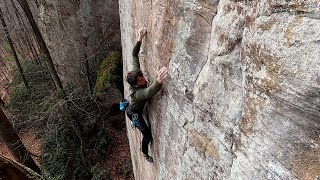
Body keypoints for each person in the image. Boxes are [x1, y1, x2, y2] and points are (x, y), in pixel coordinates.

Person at [126, 28, 168, 163]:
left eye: (141, 77)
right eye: (141, 81)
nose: (144, 79)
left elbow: (134, 55)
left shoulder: (136, 73)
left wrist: (140, 38)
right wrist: (158, 81)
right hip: (134, 114)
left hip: (135, 107)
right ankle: (144, 153)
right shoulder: (138, 94)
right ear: (136, 85)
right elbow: (149, 92)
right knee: (147, 136)